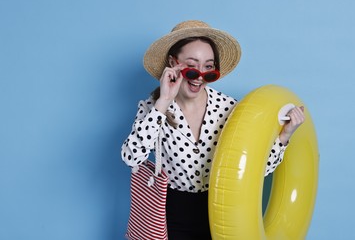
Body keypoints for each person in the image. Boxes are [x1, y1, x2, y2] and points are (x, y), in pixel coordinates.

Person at [121, 20, 305, 239]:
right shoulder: (153, 108)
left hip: (219, 214)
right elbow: (131, 157)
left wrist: (284, 137)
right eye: (192, 65)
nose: (200, 75)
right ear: (173, 62)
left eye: (208, 67)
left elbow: (254, 169)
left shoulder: (229, 109)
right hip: (169, 218)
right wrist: (164, 101)